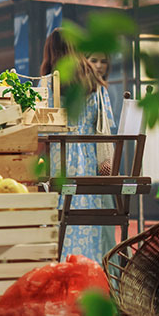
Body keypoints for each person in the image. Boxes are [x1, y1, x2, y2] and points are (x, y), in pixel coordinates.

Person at [40, 29, 116, 265]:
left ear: (50, 53)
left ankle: (62, 272)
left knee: (59, 221)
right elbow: (105, 126)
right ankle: (89, 274)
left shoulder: (46, 86)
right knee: (87, 220)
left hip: (57, 161)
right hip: (88, 162)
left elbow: (39, 129)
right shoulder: (96, 85)